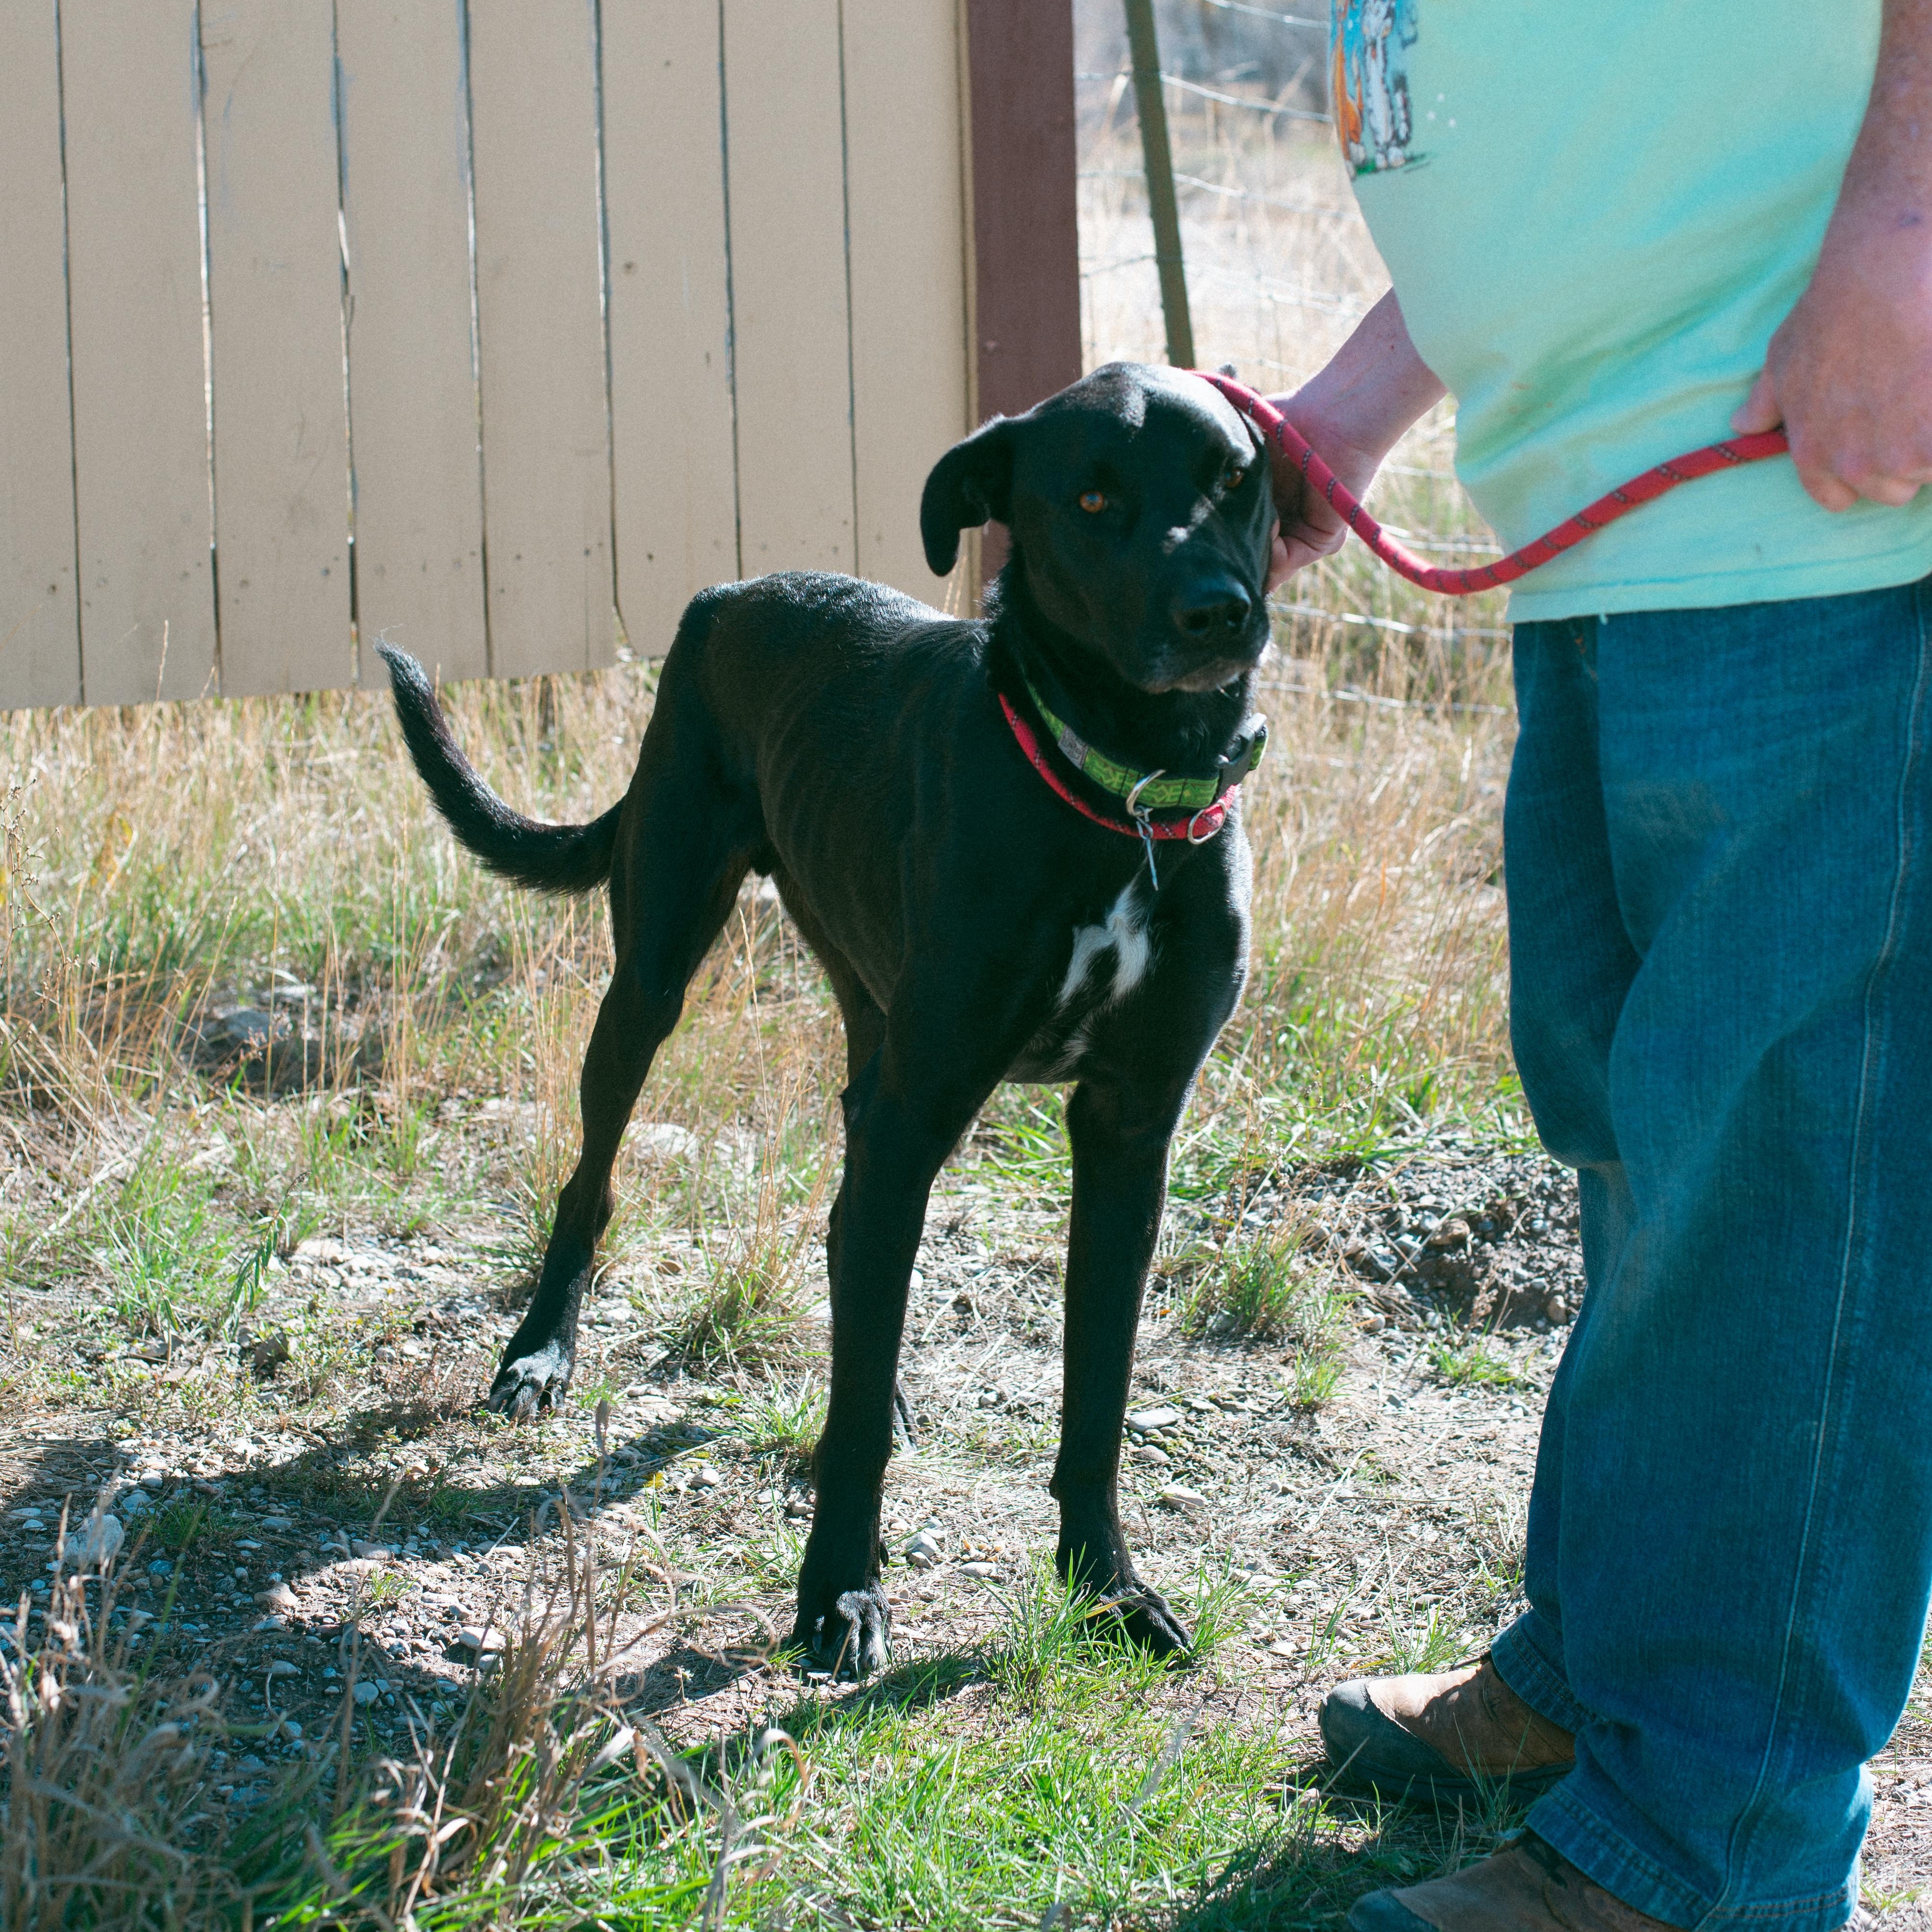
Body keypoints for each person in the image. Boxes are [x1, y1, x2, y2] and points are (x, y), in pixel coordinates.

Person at [1263, 4, 1932, 1928]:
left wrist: (1899, 236)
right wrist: (1354, 410)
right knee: (1644, 1151)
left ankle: (1705, 1851)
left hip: (1807, 507)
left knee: (1783, 1199)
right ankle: (1607, 1688)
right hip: (1596, 519)